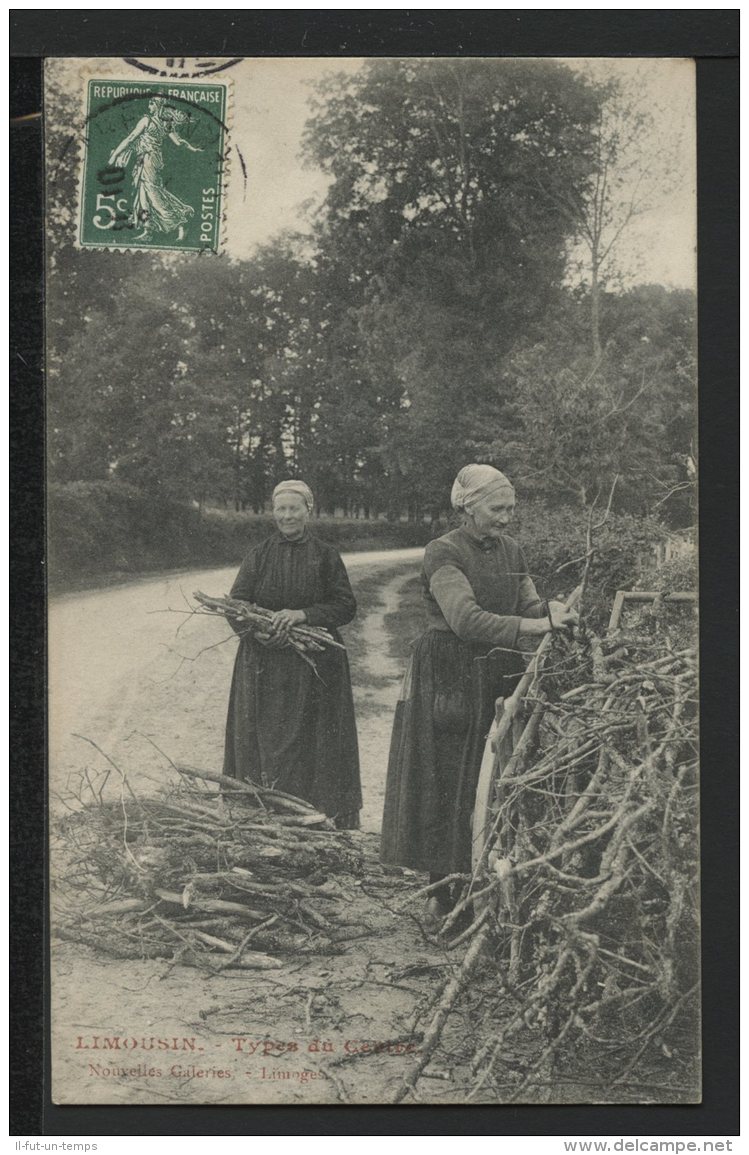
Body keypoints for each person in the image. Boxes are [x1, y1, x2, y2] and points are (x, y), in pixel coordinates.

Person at [380, 464, 578, 917]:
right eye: (496, 508)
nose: (506, 517)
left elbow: (528, 602)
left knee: (493, 780)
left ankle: (483, 885)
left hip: (498, 671)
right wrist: (534, 624)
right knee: (449, 779)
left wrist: (555, 610)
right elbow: (465, 620)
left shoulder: (512, 550)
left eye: (510, 508)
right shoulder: (442, 552)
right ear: (468, 506)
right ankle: (440, 891)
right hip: (450, 673)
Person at [223, 479, 362, 828]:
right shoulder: (259, 555)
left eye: (294, 508)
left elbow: (345, 605)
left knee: (313, 742)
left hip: (315, 668)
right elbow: (235, 605)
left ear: (308, 510)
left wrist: (303, 616)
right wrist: (259, 630)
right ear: (273, 512)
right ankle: (262, 816)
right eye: (281, 509)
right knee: (265, 741)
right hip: (264, 666)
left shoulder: (326, 556)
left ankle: (316, 818)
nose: (287, 516)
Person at [107, 96, 202, 241]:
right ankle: (148, 229)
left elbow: (131, 138)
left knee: (153, 193)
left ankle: (180, 222)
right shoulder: (165, 123)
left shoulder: (147, 120)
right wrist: (192, 148)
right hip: (147, 159)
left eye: (151, 104)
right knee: (143, 193)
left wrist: (114, 155)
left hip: (148, 160)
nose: (149, 106)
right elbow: (179, 142)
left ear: (157, 106)